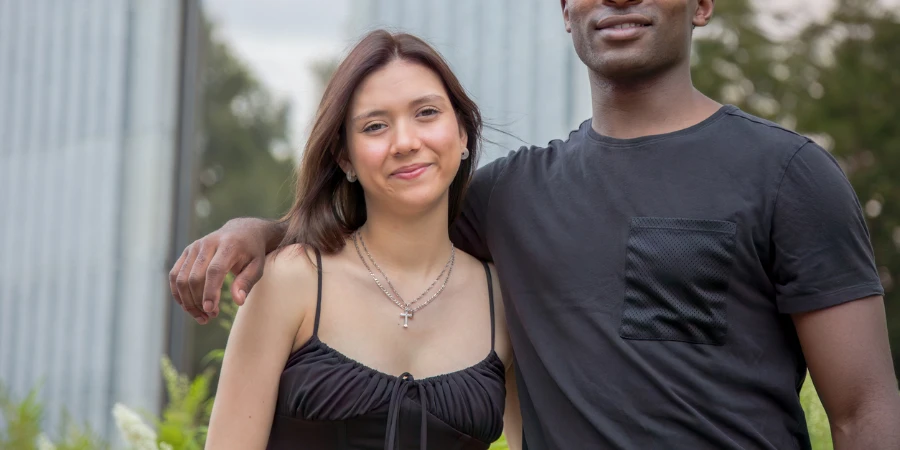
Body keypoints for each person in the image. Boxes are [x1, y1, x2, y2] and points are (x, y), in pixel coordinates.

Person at [174, 1, 900, 448]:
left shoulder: (788, 174)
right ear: (564, 9)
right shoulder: (511, 198)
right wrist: (264, 232)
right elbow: (385, 218)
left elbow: (865, 410)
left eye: (428, 114)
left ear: (703, 3)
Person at [202, 30, 520, 450]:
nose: (406, 142)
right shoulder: (290, 281)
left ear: (461, 134)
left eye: (426, 113)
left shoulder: (505, 298)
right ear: (344, 157)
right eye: (375, 126)